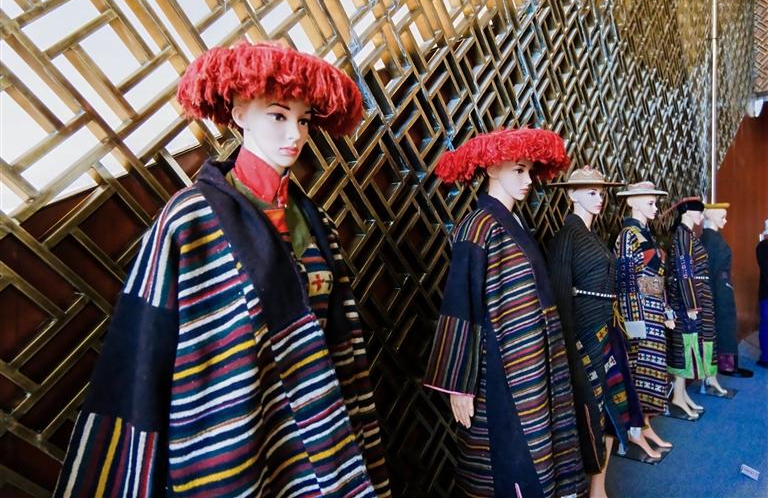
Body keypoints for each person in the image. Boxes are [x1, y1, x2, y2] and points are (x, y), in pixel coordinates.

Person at [53, 41, 391, 497]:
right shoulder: (189, 219)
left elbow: (340, 339)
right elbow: (142, 346)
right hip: (227, 432)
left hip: (317, 431)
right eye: (278, 116)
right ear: (238, 113)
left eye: (304, 120)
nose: (295, 134)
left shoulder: (318, 224)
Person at [424, 128, 587, 498]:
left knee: (540, 443)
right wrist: (459, 384)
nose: (528, 180)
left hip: (533, 356)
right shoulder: (478, 226)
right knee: (513, 453)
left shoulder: (514, 224)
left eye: (529, 171)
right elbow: (460, 303)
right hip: (503, 364)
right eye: (518, 170)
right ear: (492, 169)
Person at [548, 167, 645, 497]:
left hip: (606, 329)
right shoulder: (566, 237)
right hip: (583, 335)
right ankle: (588, 488)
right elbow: (560, 297)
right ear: (571, 194)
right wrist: (566, 348)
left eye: (601, 192)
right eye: (591, 192)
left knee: (609, 407)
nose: (599, 198)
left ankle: (598, 488)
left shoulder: (595, 236)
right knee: (590, 409)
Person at [614, 182, 675, 456]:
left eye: (655, 202)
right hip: (639, 314)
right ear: (632, 202)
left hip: (654, 312)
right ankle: (635, 430)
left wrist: (665, 310)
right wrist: (632, 320)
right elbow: (626, 281)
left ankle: (646, 424)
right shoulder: (628, 236)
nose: (655, 208)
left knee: (654, 370)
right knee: (639, 373)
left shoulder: (645, 233)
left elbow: (655, 279)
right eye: (650, 202)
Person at [666, 197, 727, 405]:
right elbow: (684, 271)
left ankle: (683, 394)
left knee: (699, 342)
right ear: (688, 212)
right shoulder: (683, 236)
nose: (702, 215)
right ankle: (678, 396)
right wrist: (691, 304)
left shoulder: (689, 235)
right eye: (699, 211)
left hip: (700, 294)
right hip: (691, 298)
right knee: (687, 346)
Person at [701, 203, 753, 377]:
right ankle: (727, 365)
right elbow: (710, 269)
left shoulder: (712, 238)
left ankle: (728, 364)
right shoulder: (710, 239)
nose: (725, 220)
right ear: (711, 216)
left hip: (721, 287)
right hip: (718, 288)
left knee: (726, 324)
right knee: (724, 325)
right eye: (722, 217)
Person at [757, 220, 768, 368]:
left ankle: (765, 358)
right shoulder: (763, 247)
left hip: (765, 292)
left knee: (766, 324)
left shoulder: (761, 247)